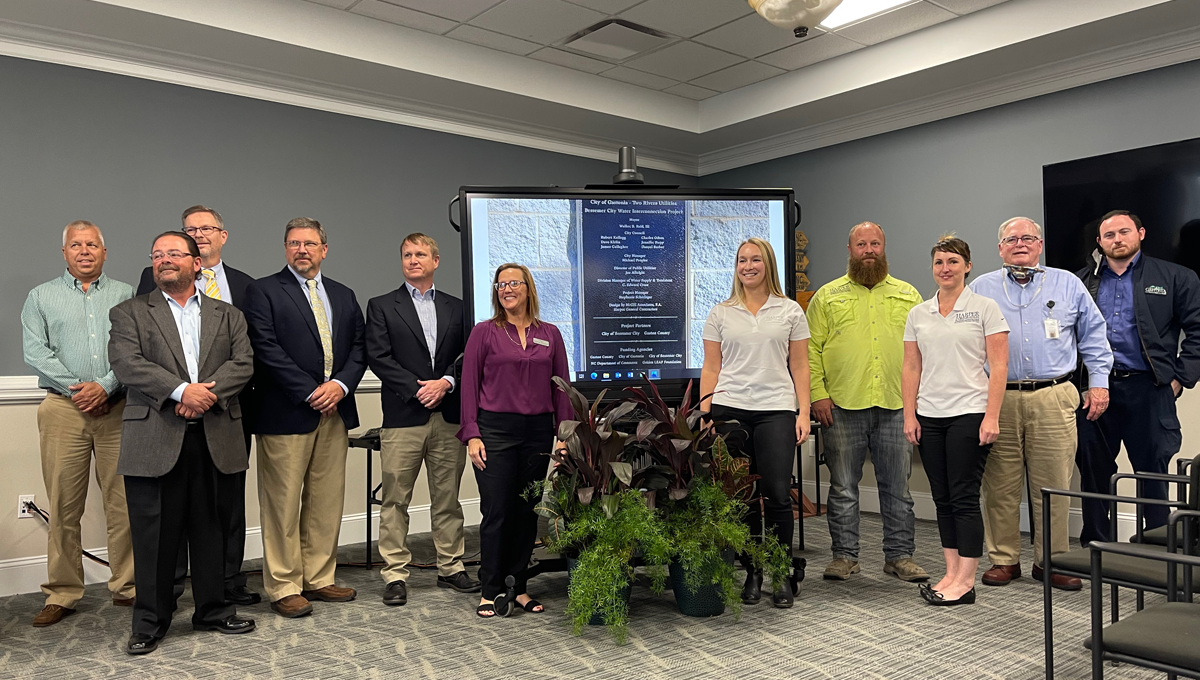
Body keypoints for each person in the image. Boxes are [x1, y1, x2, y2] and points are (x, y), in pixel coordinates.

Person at [109, 231, 256, 654]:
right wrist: (180, 391)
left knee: (211, 527)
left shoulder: (228, 315)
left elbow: (242, 363)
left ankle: (213, 610)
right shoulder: (129, 313)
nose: (164, 260)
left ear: (197, 263)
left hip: (215, 432)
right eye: (157, 255)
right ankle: (150, 622)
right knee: (154, 534)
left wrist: (203, 395)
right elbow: (126, 363)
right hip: (155, 435)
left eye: (174, 253)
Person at [971, 217, 1112, 591]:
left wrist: (1098, 384)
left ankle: (1051, 561)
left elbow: (1094, 336)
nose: (1020, 243)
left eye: (1027, 238)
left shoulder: (1068, 283)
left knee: (1054, 484)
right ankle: (1004, 559)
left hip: (1054, 394)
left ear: (1040, 244)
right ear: (1000, 247)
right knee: (999, 484)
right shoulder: (980, 288)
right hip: (997, 397)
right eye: (1011, 239)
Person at [136, 205, 261, 607]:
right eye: (191, 229)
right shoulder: (152, 282)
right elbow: (147, 346)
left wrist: (208, 395)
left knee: (226, 504)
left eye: (207, 228)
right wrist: (181, 393)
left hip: (228, 411)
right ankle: (169, 590)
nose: (199, 234)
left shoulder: (245, 285)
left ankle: (226, 581)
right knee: (168, 508)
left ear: (223, 236)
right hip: (167, 414)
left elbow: (246, 352)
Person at [242, 217, 367, 619]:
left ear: (324, 249)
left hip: (335, 411)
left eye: (310, 243)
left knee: (326, 500)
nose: (302, 250)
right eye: (294, 243)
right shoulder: (262, 291)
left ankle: (319, 576)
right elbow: (264, 348)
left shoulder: (344, 295)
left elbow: (360, 349)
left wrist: (341, 387)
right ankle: (284, 584)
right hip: (286, 412)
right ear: (285, 248)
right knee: (281, 503)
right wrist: (311, 390)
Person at [21, 221, 135, 627]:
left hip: (118, 409)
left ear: (105, 252)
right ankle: (63, 591)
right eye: (76, 244)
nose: (84, 250)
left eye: (92, 244)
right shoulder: (41, 297)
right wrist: (79, 391)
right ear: (64, 253)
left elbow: (134, 349)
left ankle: (129, 586)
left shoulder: (126, 295)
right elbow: (36, 351)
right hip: (62, 411)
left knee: (123, 502)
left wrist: (104, 387)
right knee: (64, 504)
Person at [807, 222, 927, 584]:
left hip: (896, 405)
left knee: (898, 488)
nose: (869, 249)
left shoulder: (909, 296)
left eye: (875, 243)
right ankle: (845, 556)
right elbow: (809, 350)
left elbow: (925, 350)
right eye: (862, 244)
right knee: (842, 487)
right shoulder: (826, 297)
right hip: (842, 405)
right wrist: (817, 394)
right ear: (850, 249)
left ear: (884, 247)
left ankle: (900, 556)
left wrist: (918, 401)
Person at [365, 233, 478, 606]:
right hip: (403, 415)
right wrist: (419, 390)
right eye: (407, 255)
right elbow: (379, 357)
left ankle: (451, 567)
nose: (413, 260)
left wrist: (445, 382)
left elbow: (467, 356)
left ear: (436, 261)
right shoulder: (381, 305)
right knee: (395, 500)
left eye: (420, 254)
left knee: (447, 497)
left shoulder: (458, 307)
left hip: (448, 414)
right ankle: (395, 574)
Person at [1075, 210, 1200, 543]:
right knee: (1094, 471)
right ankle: (1096, 545)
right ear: (1099, 242)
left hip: (1150, 388)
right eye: (1110, 235)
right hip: (1096, 390)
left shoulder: (1176, 277)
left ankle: (1157, 546)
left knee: (1152, 473)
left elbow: (1198, 331)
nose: (1117, 239)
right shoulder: (1081, 282)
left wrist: (1180, 377)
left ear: (1140, 233)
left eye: (1124, 232)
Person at [700, 237, 811, 608]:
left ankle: (780, 571)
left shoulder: (790, 310)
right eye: (742, 260)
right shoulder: (720, 313)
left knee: (778, 495)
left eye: (756, 260)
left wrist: (804, 412)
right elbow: (712, 367)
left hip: (776, 409)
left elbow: (799, 366)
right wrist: (705, 414)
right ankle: (753, 571)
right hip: (729, 409)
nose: (748, 266)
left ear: (768, 265)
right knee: (744, 497)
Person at [458, 263, 571, 618]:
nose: (507, 289)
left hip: (537, 432)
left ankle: (518, 586)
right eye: (501, 284)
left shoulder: (550, 333)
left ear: (528, 288)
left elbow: (562, 390)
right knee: (497, 510)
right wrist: (471, 434)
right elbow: (468, 387)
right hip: (494, 431)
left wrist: (564, 436)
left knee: (526, 511)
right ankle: (490, 588)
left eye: (514, 283)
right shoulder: (485, 332)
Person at [902, 235, 1008, 606]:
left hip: (970, 413)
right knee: (942, 498)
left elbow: (999, 367)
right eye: (939, 263)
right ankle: (950, 573)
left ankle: (965, 580)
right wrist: (909, 413)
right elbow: (911, 366)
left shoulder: (985, 308)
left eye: (952, 261)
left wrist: (991, 416)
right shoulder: (919, 313)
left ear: (967, 266)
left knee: (963, 498)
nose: (945, 269)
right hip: (930, 416)